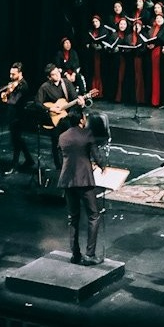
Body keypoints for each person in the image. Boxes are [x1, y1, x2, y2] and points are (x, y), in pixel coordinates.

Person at [57, 111, 106, 266]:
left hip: (67, 181)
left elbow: (62, 158)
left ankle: (75, 254)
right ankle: (89, 255)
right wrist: (102, 165)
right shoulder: (87, 134)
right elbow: (96, 156)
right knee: (93, 216)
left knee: (73, 218)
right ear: (81, 121)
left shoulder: (62, 136)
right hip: (84, 180)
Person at [36, 63, 86, 170]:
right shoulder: (45, 87)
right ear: (49, 77)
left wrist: (81, 102)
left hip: (68, 117)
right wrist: (50, 109)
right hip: (54, 120)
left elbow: (74, 99)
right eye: (54, 75)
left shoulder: (66, 83)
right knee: (57, 142)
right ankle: (59, 167)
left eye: (58, 73)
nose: (57, 76)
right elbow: (37, 103)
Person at [0, 62, 36, 174]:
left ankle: (14, 166)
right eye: (10, 74)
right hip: (13, 115)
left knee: (16, 141)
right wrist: (6, 94)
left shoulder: (23, 85)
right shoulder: (14, 84)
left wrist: (7, 97)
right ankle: (29, 160)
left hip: (20, 116)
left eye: (13, 74)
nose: (11, 77)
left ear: (20, 73)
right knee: (18, 139)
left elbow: (14, 101)